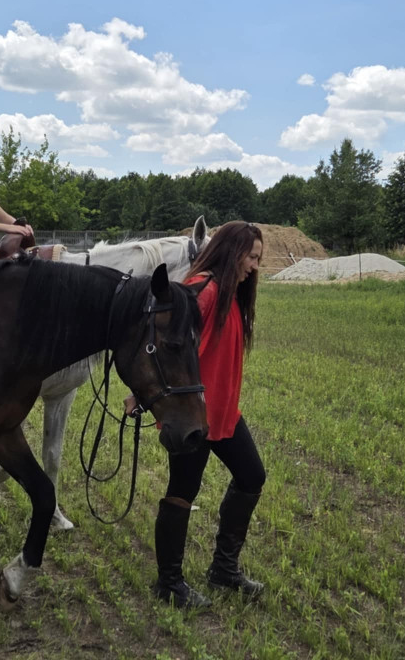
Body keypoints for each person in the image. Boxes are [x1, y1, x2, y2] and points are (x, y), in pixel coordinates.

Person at [143, 221, 267, 609]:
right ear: (233, 253)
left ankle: (223, 570)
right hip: (191, 415)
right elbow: (168, 342)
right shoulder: (204, 288)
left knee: (251, 476)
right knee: (182, 492)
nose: (255, 266)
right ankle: (169, 582)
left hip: (225, 412)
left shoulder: (231, 293)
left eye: (259, 259)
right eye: (251, 257)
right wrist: (142, 393)